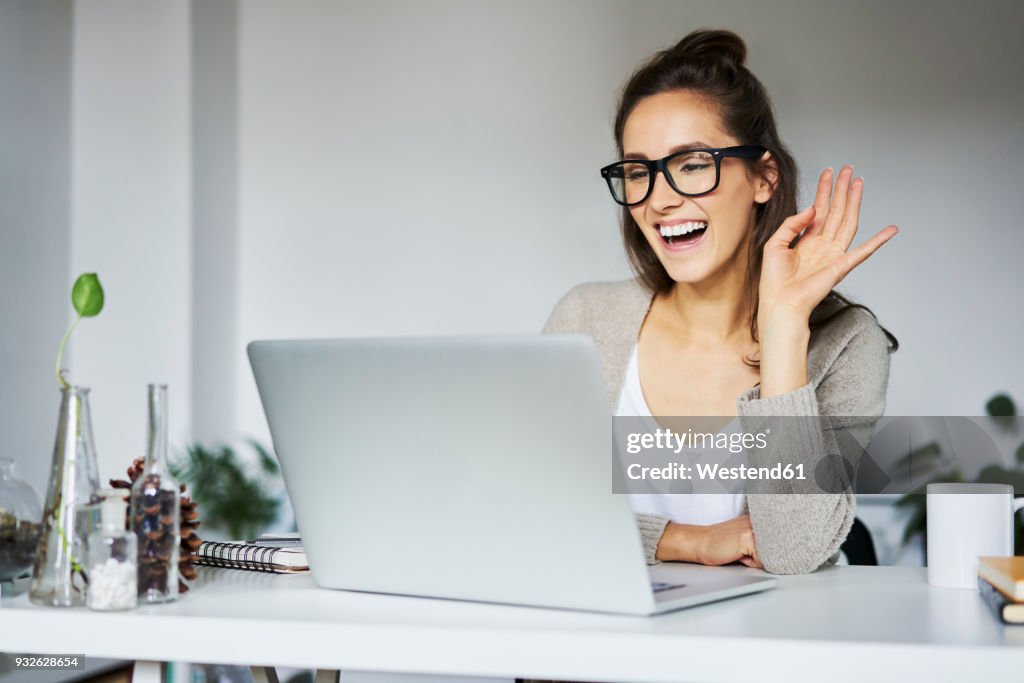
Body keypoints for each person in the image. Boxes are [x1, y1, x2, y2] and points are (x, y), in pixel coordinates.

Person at [543, 29, 898, 575]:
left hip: (758, 655)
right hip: (596, 654)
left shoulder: (848, 344)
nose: (660, 199)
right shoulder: (585, 320)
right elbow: (542, 511)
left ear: (763, 176)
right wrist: (682, 540)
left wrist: (783, 330)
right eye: (638, 171)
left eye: (691, 164)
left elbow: (792, 550)